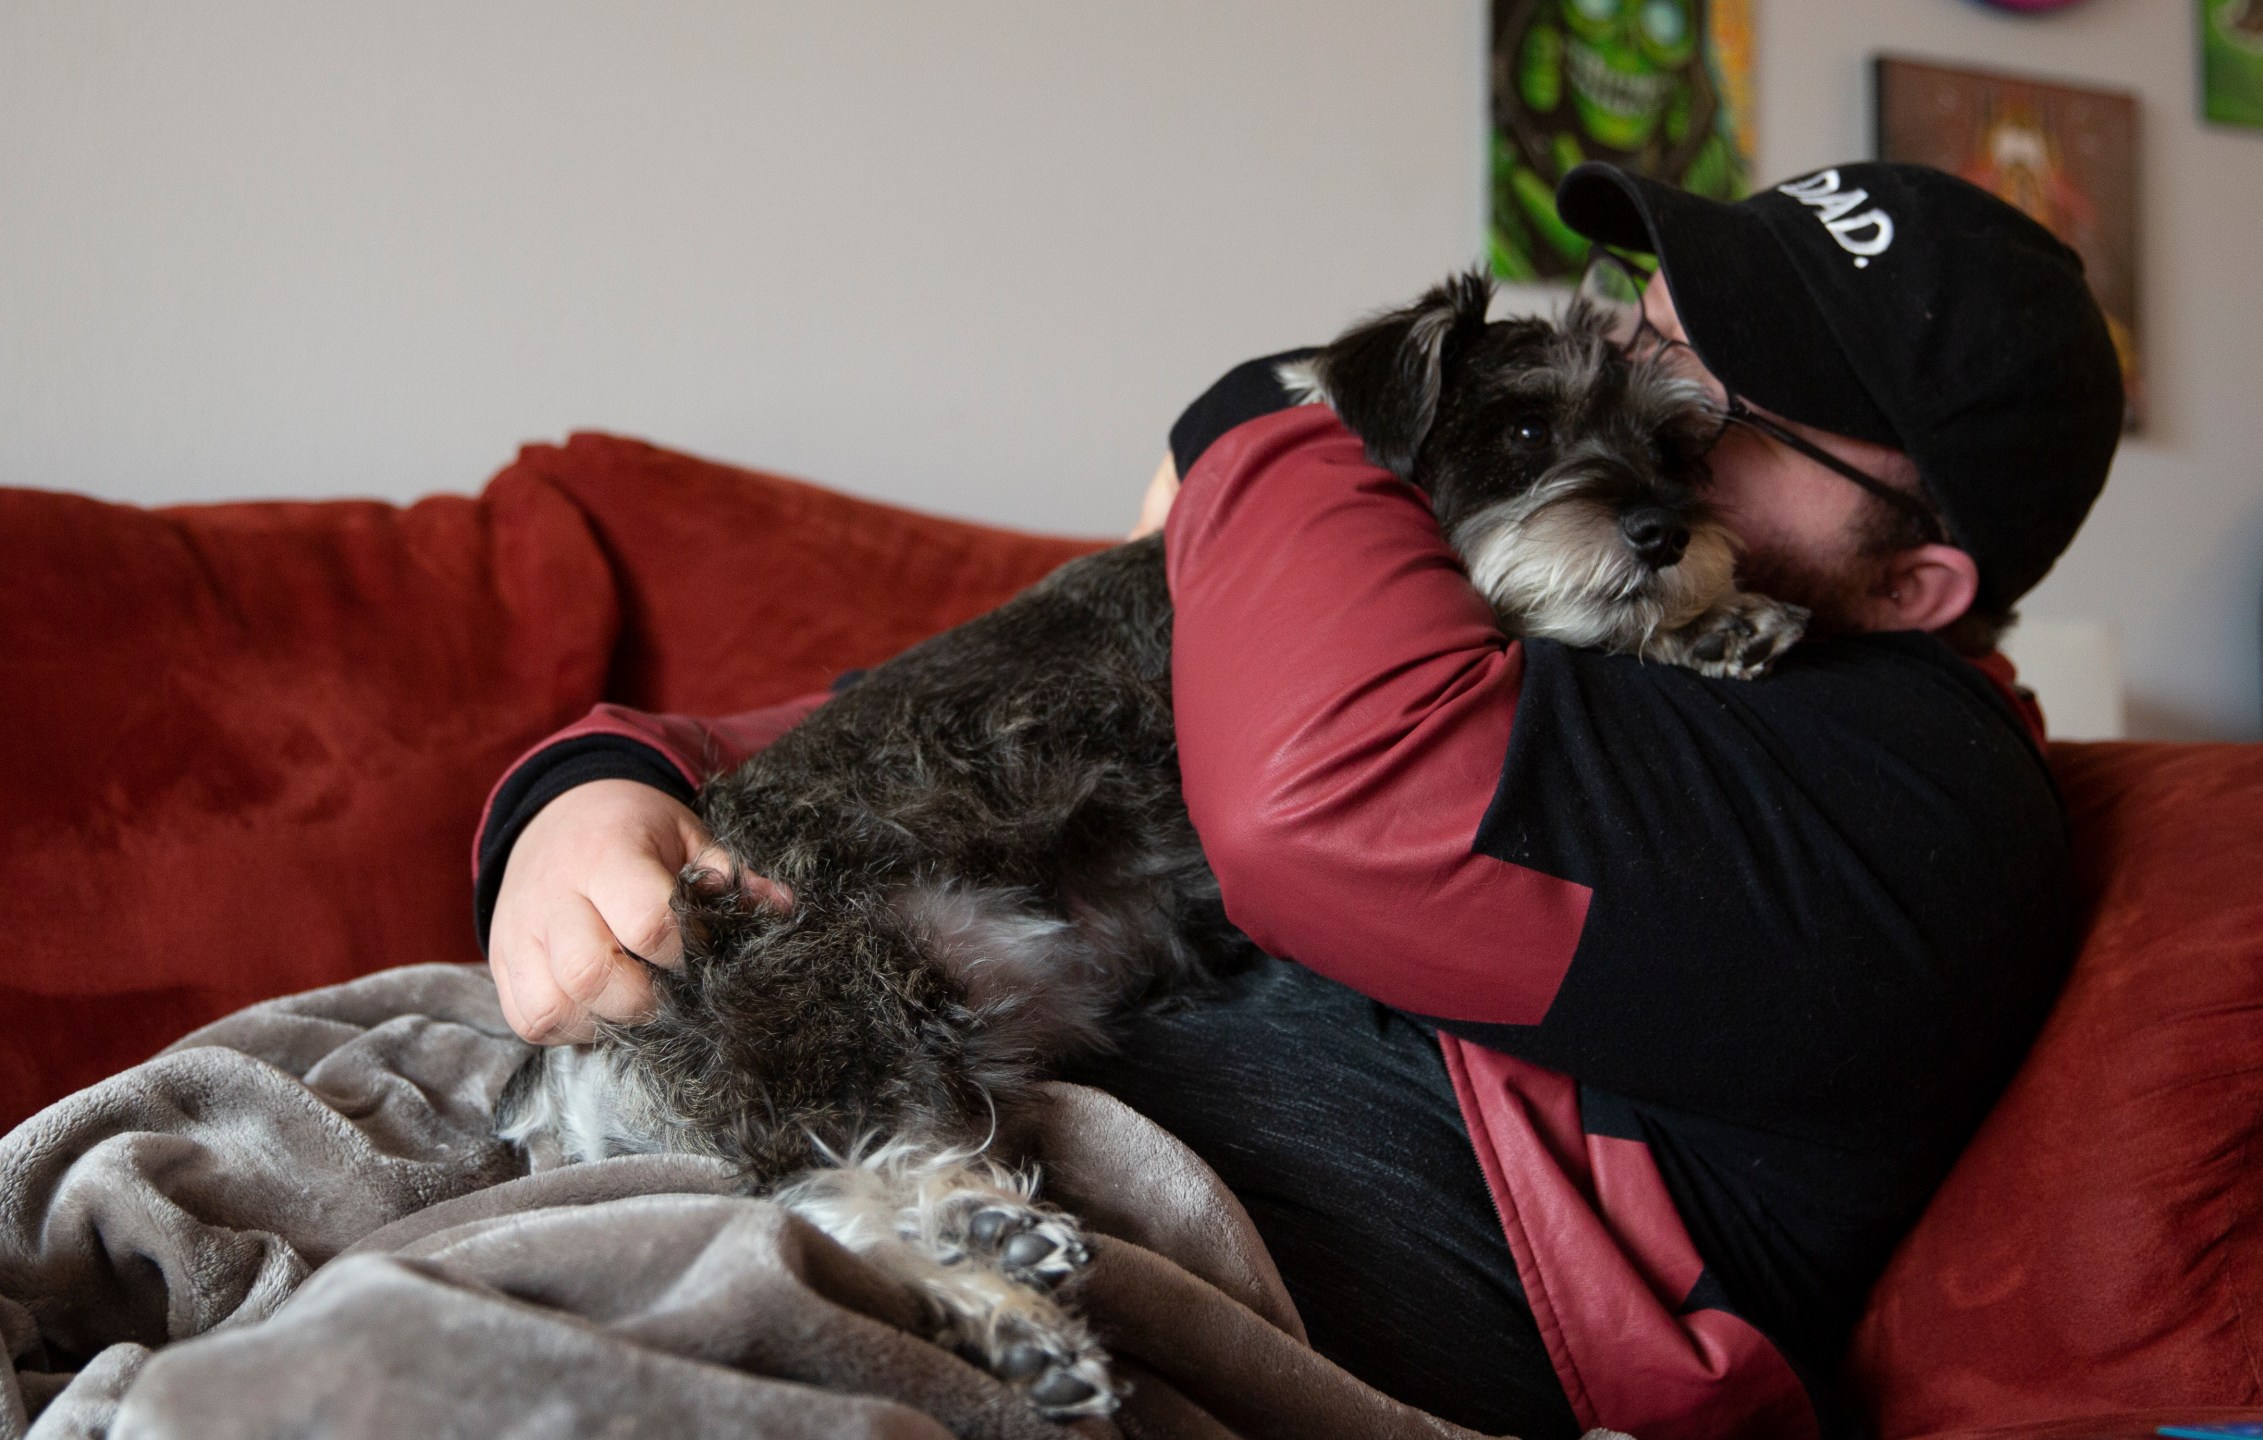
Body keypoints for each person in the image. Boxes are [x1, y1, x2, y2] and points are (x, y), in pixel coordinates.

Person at [476, 160, 2124, 1440]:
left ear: (1916, 584)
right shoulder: (1539, 600)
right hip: (812, 1042)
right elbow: (944, 714)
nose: (1647, 384)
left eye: (1732, 404)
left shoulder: (1920, 802)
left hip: (1036, 1216)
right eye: (1653, 315)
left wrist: (1264, 418)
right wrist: (593, 779)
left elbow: (1328, 803)